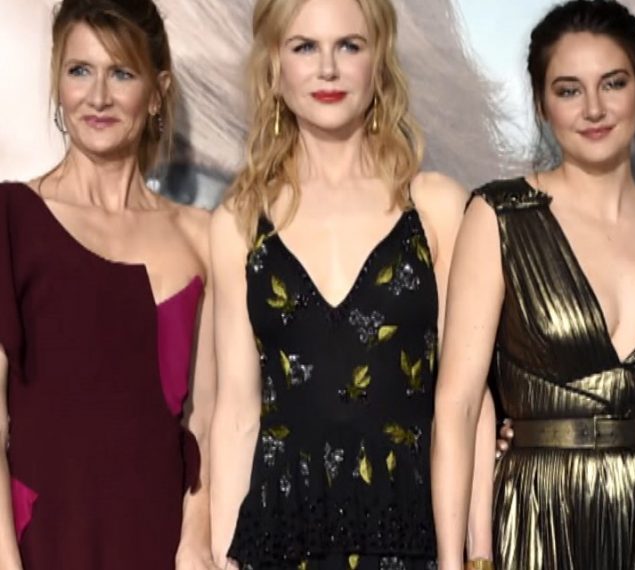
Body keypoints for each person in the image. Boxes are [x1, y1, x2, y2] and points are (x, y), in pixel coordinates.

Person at [207, 0, 493, 568]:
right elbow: (238, 411)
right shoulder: (238, 223)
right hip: (280, 541)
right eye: (304, 47)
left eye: (349, 46)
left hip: (413, 541)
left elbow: (467, 403)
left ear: (379, 60)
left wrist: (476, 553)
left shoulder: (436, 208)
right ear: (274, 65)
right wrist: (221, 555)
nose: (328, 69)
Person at [431, 1, 635, 569]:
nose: (594, 109)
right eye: (568, 90)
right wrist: (453, 560)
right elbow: (457, 406)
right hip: (539, 515)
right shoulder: (500, 216)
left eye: (613, 83)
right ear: (541, 104)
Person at [0, 0, 215, 568]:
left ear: (157, 91)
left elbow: (209, 420)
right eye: (80, 71)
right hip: (45, 544)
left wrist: (196, 541)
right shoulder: (11, 219)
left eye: (121, 73)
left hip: (162, 543)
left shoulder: (203, 235)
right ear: (58, 81)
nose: (97, 97)